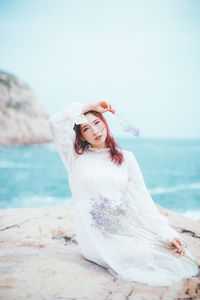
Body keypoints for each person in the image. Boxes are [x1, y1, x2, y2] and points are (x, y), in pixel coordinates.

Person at [48, 100, 199, 286]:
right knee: (138, 257)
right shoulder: (74, 156)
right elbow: (55, 122)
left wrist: (167, 234)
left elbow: (142, 199)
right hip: (93, 232)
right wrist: (91, 106)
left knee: (162, 253)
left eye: (96, 123)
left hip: (123, 224)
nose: (95, 131)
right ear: (81, 136)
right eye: (86, 129)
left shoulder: (126, 158)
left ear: (104, 123)